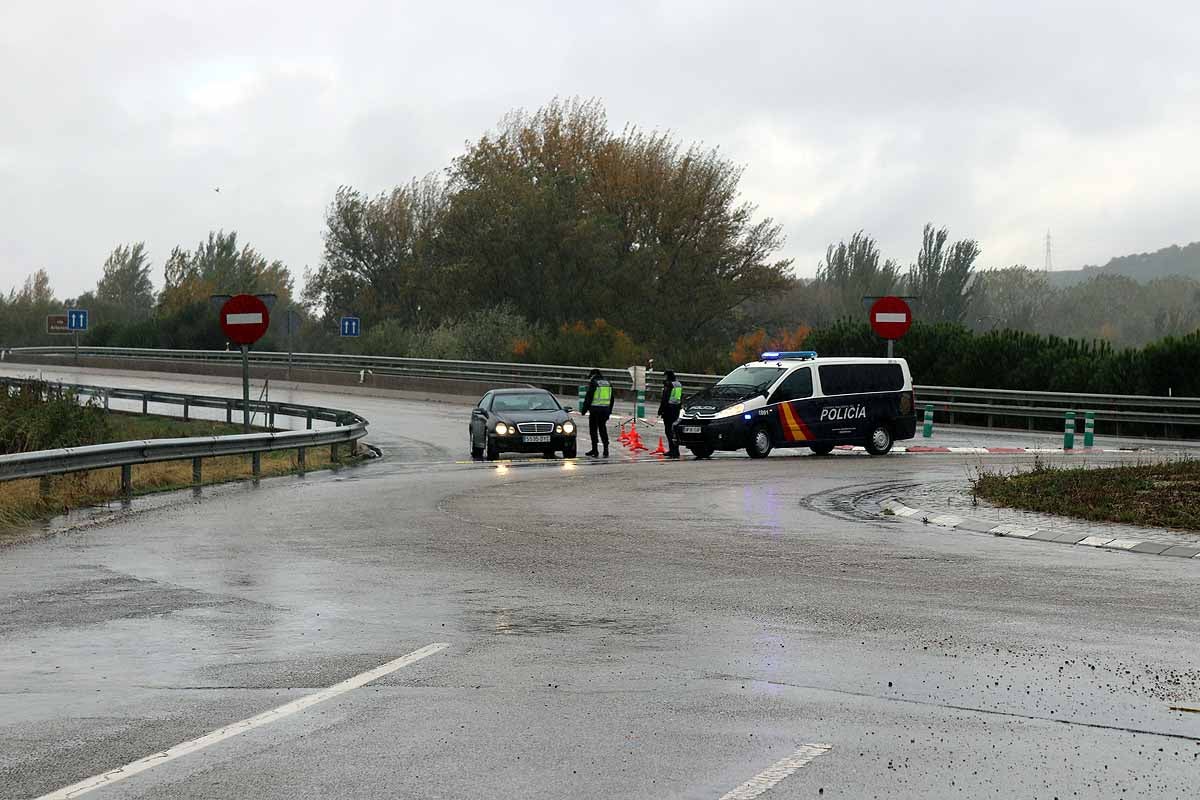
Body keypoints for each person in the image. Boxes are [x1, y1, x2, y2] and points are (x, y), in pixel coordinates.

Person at [580, 368, 613, 457]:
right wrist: (609, 411)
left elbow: (589, 397)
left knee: (593, 430)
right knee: (603, 429)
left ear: (593, 375)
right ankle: (606, 450)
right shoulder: (608, 383)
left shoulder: (594, 383)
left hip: (595, 410)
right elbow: (612, 398)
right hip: (605, 410)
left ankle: (595, 450)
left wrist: (584, 410)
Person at [658, 370, 684, 458]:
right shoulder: (678, 384)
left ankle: (673, 451)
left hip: (668, 410)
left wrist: (660, 410)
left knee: (668, 431)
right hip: (676, 409)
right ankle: (675, 450)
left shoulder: (669, 385)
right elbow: (680, 397)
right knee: (674, 431)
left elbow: (665, 399)